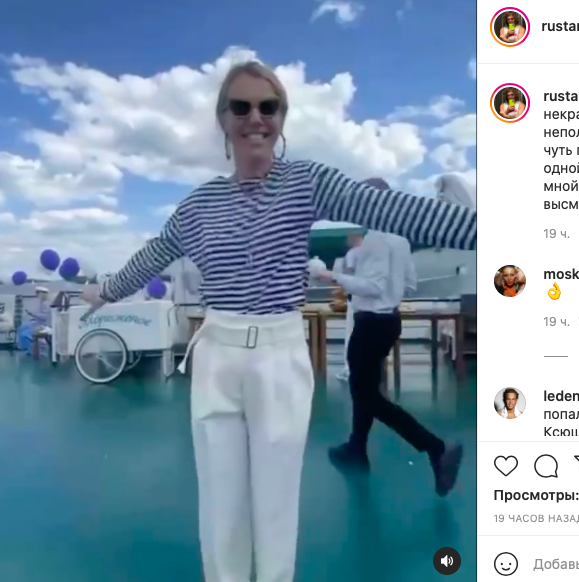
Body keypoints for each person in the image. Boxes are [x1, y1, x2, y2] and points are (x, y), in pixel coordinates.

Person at [78, 60, 477, 582]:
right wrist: (105, 290)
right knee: (219, 502)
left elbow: (395, 211)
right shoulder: (199, 205)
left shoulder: (306, 182)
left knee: (275, 500)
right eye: (241, 106)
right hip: (217, 353)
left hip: (278, 354)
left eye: (269, 107)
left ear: (282, 118)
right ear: (223, 118)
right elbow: (156, 253)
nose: (256, 118)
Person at [314, 177, 462, 496]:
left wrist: (330, 275)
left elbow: (372, 287)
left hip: (370, 324)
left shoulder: (374, 241)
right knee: (364, 388)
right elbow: (409, 281)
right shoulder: (399, 239)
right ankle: (356, 448)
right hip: (389, 321)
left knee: (366, 395)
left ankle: (435, 447)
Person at [336, 231, 364, 381]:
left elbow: (348, 276)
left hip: (355, 298)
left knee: (351, 335)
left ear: (354, 237)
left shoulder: (352, 253)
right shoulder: (374, 254)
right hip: (372, 301)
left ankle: (349, 369)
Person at [17, 286, 52, 355]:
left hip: (43, 326)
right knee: (21, 328)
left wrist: (33, 314)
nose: (38, 295)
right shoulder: (41, 303)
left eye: (39, 293)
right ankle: (27, 348)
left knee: (24, 335)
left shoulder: (46, 304)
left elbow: (45, 317)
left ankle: (32, 350)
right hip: (37, 323)